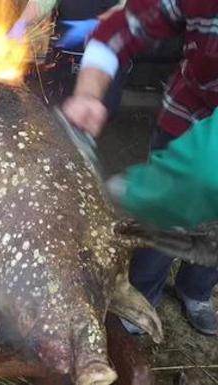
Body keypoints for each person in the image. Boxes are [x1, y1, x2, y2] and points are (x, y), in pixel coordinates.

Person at [62, 0, 218, 335]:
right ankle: (141, 298)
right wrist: (89, 93)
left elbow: (206, 171)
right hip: (185, 118)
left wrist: (130, 193)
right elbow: (118, 28)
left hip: (206, 156)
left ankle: (197, 291)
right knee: (158, 228)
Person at [9, 0, 127, 114]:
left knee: (95, 112)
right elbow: (41, 2)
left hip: (105, 58)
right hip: (64, 57)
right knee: (59, 110)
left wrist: (99, 25)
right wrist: (21, 24)